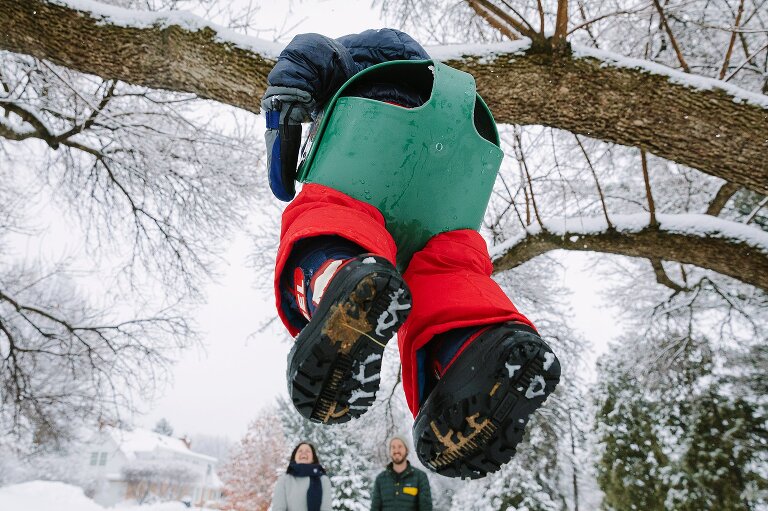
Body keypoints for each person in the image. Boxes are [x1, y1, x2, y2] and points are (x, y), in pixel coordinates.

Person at [262, 28, 561, 479]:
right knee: (447, 262)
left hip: (374, 143)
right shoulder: (427, 77)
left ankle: (333, 279)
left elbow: (311, 50)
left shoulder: (353, 58)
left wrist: (282, 117)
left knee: (337, 214)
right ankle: (472, 345)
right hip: (457, 162)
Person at [371, 436, 432, 511]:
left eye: (400, 447)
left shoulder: (420, 477)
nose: (396, 450)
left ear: (406, 450)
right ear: (390, 451)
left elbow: (426, 508)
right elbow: (374, 508)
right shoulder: (380, 479)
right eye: (393, 447)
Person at [271, 442, 332, 511]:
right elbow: (278, 508)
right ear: (294, 457)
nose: (304, 453)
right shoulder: (284, 479)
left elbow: (326, 508)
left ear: (313, 458)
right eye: (300, 451)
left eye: (308, 451)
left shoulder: (323, 480)